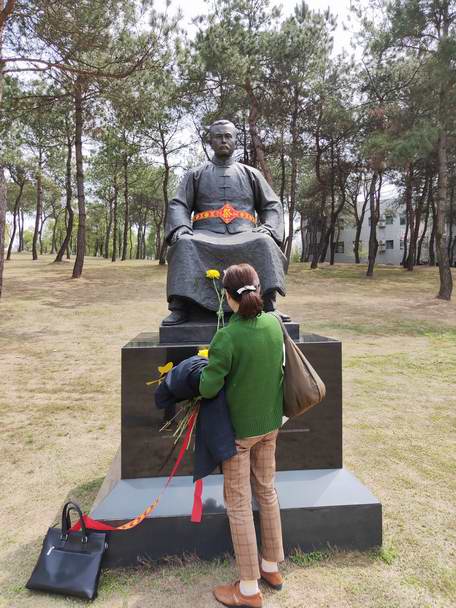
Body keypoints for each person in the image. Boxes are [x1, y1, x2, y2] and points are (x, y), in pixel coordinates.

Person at [199, 263, 285, 608]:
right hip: (270, 425)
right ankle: (271, 567)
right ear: (258, 288)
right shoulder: (274, 324)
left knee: (238, 504)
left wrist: (203, 370)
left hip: (238, 435)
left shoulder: (227, 336)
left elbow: (208, 388)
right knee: (267, 491)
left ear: (226, 296)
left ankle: (248, 590)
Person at [163, 119, 290, 325]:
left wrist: (268, 228)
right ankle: (180, 307)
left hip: (245, 232)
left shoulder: (252, 174)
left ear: (235, 140)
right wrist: (181, 228)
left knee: (265, 242)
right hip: (204, 233)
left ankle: (268, 304)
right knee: (184, 243)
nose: (223, 140)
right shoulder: (195, 174)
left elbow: (272, 205)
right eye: (218, 136)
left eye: (228, 136)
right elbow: (178, 204)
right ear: (210, 141)